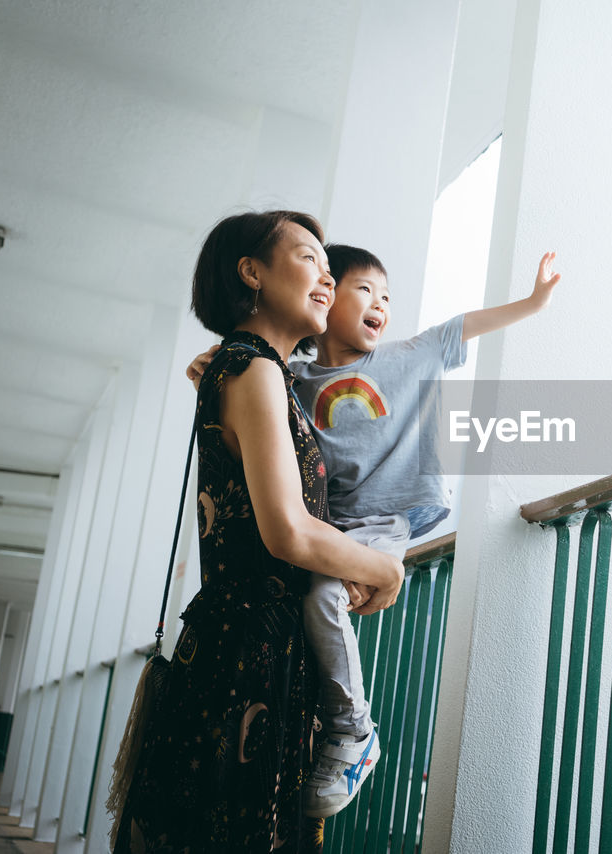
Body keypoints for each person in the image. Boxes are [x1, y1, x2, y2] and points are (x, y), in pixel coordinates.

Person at [186, 244, 561, 817]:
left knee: (325, 598)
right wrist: (207, 366)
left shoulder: (409, 355)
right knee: (301, 599)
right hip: (327, 526)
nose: (380, 304)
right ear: (327, 297)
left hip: (384, 523)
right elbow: (249, 392)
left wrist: (532, 303)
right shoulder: (293, 379)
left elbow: (468, 325)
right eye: (365, 290)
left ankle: (354, 731)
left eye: (386, 297)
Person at [116, 211, 406, 853]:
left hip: (239, 647)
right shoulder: (253, 370)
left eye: (331, 267)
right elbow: (288, 532)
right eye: (309, 258)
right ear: (252, 272)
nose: (327, 277)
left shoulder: (245, 367)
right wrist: (383, 567)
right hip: (247, 658)